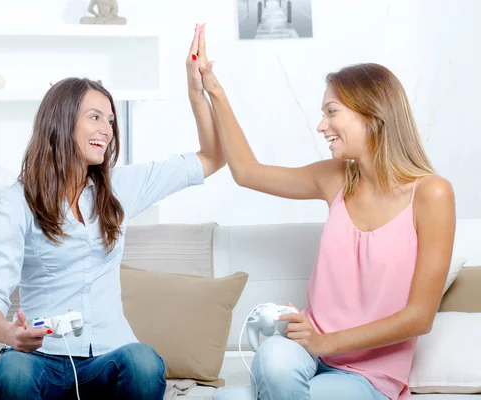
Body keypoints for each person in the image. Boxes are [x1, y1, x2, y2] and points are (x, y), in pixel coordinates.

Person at [195, 27, 456, 400]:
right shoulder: (335, 179)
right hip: (309, 350)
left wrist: (325, 341)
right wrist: (213, 89)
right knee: (271, 360)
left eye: (332, 112)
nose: (321, 126)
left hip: (369, 374)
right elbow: (247, 173)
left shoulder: (431, 193)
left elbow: (419, 317)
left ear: (373, 114)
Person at [0, 23, 223, 400]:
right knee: (12, 372)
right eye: (94, 117)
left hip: (108, 355)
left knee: (144, 362)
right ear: (60, 121)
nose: (106, 130)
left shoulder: (119, 188)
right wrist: (11, 334)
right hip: (42, 358)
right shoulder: (14, 201)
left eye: (110, 120)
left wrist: (196, 88)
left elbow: (213, 157)